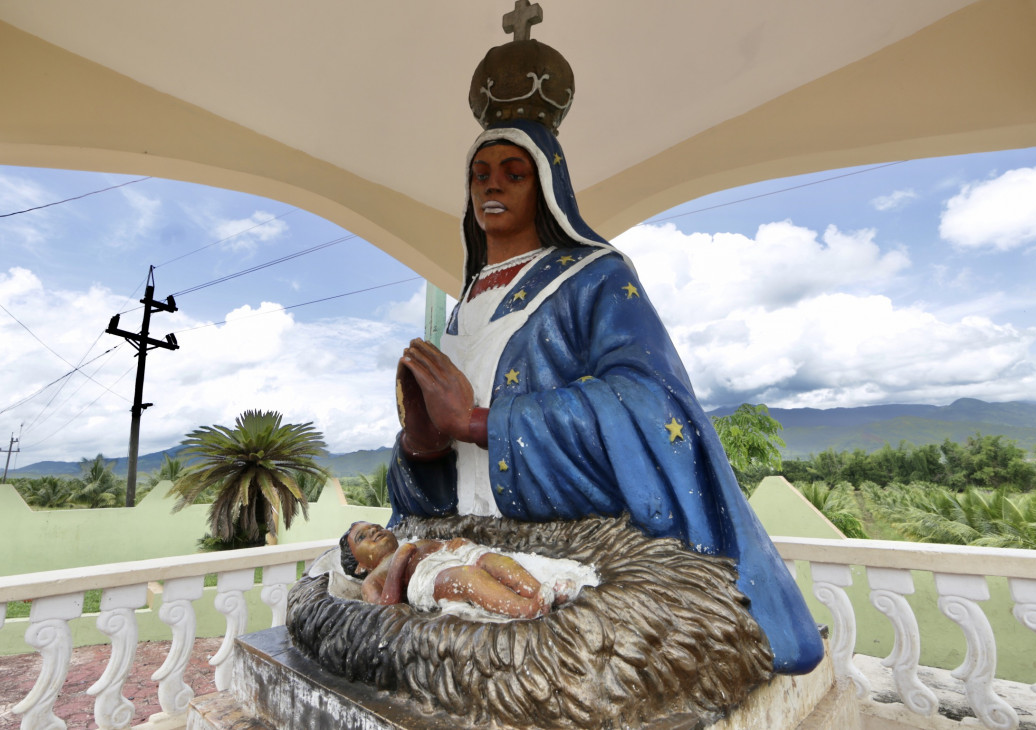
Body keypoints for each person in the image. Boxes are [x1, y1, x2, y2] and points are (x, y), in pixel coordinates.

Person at [388, 119, 825, 675]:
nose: (491, 186)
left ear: (547, 189)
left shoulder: (594, 279)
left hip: (569, 549)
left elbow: (648, 406)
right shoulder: (463, 310)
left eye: (513, 174)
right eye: (479, 175)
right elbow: (441, 483)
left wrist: (478, 422)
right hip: (465, 547)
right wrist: (422, 446)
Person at [340, 520, 590, 619]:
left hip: (451, 554)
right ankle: (526, 608)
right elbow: (384, 612)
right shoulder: (372, 579)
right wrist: (397, 564)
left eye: (375, 527)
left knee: (493, 560)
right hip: (428, 577)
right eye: (363, 537)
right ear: (361, 566)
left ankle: (539, 590)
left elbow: (443, 545)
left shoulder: (415, 542)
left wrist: (454, 543)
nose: (374, 531)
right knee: (467, 577)